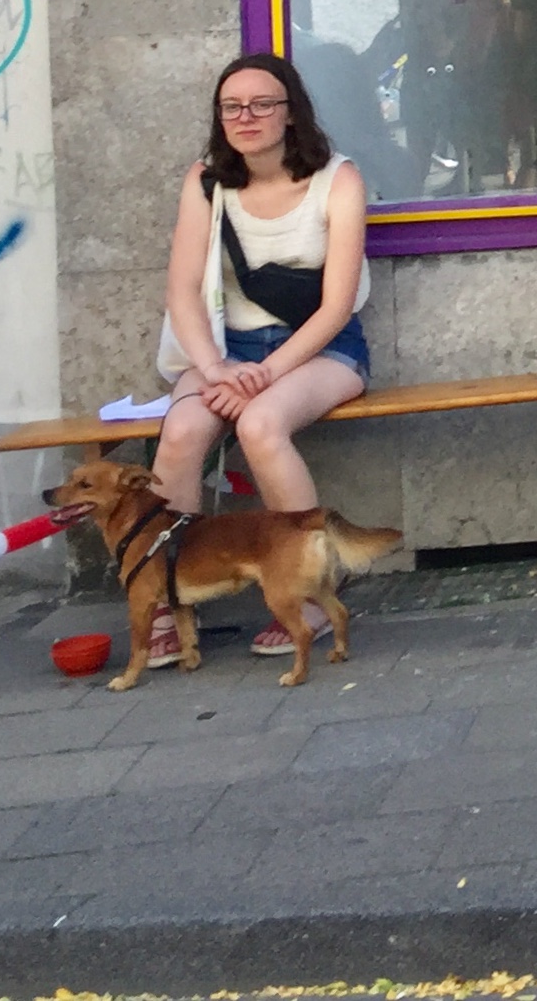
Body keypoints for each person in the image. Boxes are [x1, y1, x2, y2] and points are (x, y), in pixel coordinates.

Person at [152, 51, 374, 666]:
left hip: (320, 348)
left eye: (261, 104)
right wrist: (216, 369)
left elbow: (336, 306)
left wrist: (265, 377)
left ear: (291, 112)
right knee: (181, 430)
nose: (245, 117)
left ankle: (307, 595)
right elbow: (182, 292)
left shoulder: (338, 179)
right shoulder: (206, 182)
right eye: (231, 108)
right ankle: (168, 599)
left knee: (260, 425)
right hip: (228, 351)